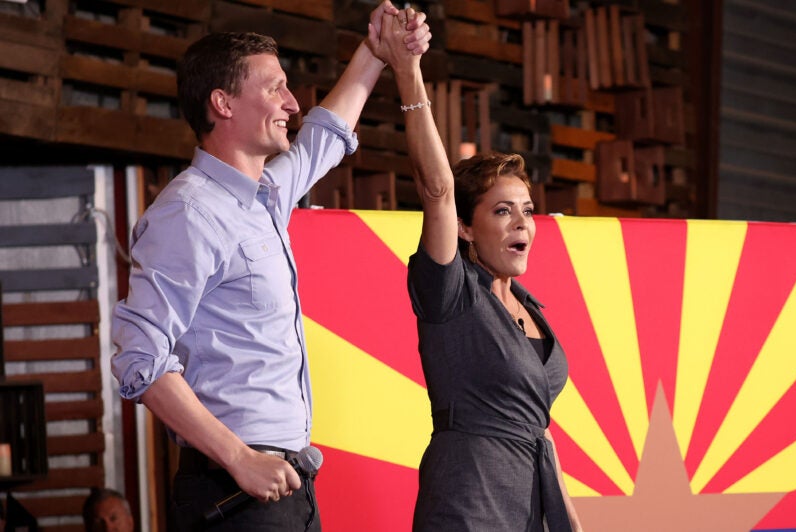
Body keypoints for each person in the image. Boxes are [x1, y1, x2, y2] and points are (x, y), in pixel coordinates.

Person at [109, 5, 431, 531]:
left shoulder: (264, 196)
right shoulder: (189, 212)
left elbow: (325, 136)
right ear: (223, 103)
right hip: (233, 489)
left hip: (285, 484)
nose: (292, 103)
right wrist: (238, 458)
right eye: (275, 88)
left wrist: (377, 49)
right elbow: (139, 357)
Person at [367, 12, 582, 531]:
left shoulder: (531, 308)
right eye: (502, 211)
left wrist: (571, 523)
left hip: (531, 504)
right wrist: (409, 71)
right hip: (469, 501)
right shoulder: (451, 291)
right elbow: (437, 189)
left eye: (527, 210)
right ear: (465, 228)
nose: (522, 223)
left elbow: (540, 431)